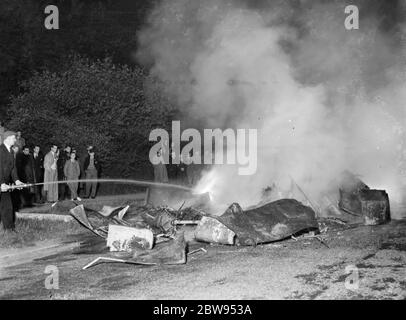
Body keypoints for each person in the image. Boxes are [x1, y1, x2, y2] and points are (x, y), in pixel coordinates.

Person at [0, 131, 24, 231]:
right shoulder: (0, 150)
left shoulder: (11, 151)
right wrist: (1, 183)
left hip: (4, 184)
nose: (15, 139)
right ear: (7, 138)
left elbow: (13, 168)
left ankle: (9, 229)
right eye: (14, 138)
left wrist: (17, 181)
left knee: (8, 206)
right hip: (1, 182)